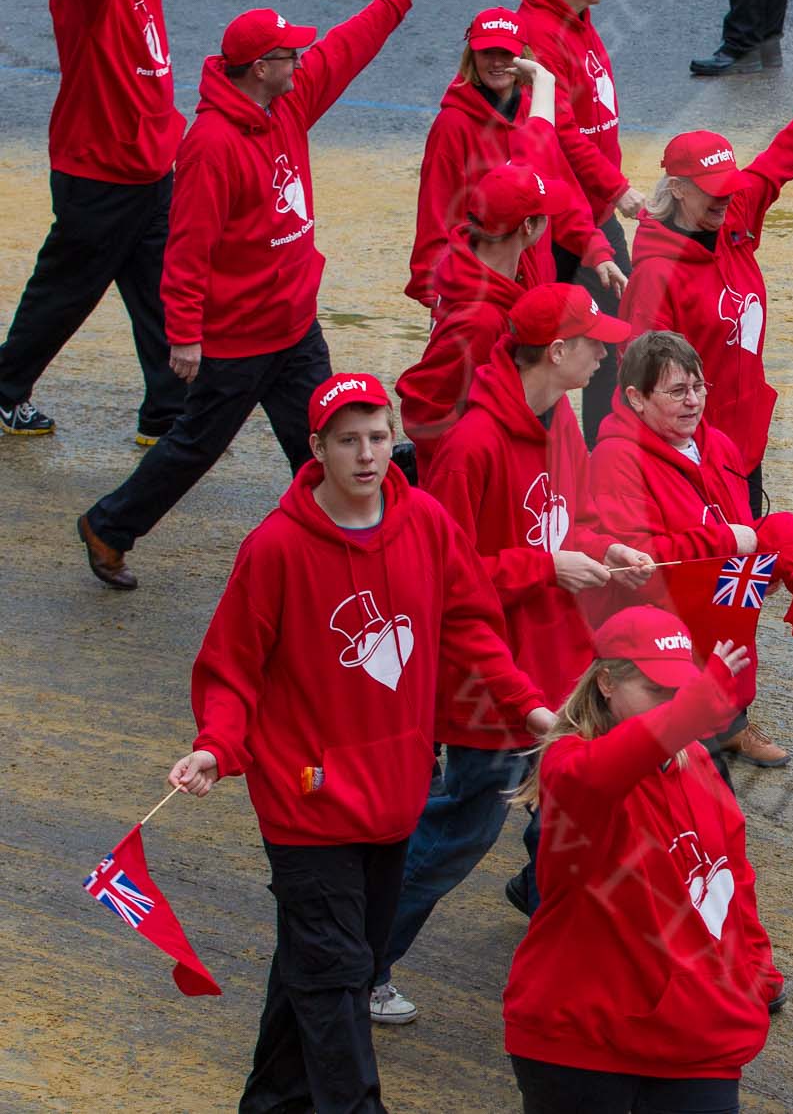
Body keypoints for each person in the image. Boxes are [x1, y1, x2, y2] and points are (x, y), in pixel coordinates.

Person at [165, 372, 554, 1114]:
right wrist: (217, 745)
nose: (368, 454)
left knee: (328, 966)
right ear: (317, 449)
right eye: (349, 441)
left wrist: (528, 706)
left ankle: (271, 1103)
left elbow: (471, 625)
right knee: (339, 974)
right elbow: (232, 667)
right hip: (305, 802)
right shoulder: (275, 547)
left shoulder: (427, 522)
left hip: (394, 796)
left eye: (378, 437)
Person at [78, 0, 432, 591]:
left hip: (294, 326)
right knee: (196, 446)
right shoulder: (211, 145)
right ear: (261, 68)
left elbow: (342, 51)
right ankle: (109, 526)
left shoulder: (286, 102)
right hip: (239, 340)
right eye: (289, 55)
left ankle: (347, 552)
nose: (301, 61)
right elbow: (186, 249)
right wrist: (184, 334)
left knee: (320, 440)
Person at [370, 285, 652, 1025]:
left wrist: (604, 550)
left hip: (558, 666)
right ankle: (357, 966)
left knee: (570, 808)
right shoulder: (472, 446)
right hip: (488, 683)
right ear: (556, 352)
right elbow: (442, 578)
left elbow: (572, 522)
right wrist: (547, 567)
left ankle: (564, 926)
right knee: (460, 831)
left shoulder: (561, 421)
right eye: (594, 343)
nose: (605, 354)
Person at [1, 0, 261, 441]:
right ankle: (5, 388)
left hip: (149, 168)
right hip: (97, 176)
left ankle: (166, 412)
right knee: (64, 295)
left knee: (162, 292)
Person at [503, 607, 778, 1114]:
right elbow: (612, 765)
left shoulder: (700, 762)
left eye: (682, 691)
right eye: (657, 690)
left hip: (696, 1042)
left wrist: (757, 977)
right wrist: (691, 710)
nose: (673, 703)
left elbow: (734, 879)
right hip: (580, 1042)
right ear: (606, 682)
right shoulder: (571, 765)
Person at [623, 21, 793, 514]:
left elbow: (785, 154)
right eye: (712, 190)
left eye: (728, 186)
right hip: (694, 456)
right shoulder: (655, 277)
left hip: (746, 442)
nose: (725, 198)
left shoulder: (734, 216)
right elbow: (640, 383)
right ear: (678, 189)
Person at [591, 331, 793, 770]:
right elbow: (640, 558)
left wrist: (763, 565)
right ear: (636, 398)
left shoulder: (717, 444)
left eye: (699, 387)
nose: (693, 402)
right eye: (677, 391)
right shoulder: (616, 458)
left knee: (782, 531)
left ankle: (735, 721)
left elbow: (744, 526)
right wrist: (729, 543)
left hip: (720, 582)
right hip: (661, 597)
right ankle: (676, 734)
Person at [509, 0, 645, 441]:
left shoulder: (575, 19)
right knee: (546, 346)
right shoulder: (541, 33)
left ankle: (600, 450)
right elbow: (561, 134)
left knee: (614, 333)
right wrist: (615, 187)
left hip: (591, 211)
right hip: (564, 219)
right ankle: (536, 446)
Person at [405, 10, 622, 309]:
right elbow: (436, 210)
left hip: (534, 284)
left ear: (524, 57)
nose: (496, 62)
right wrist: (435, 292)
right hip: (480, 290)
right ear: (471, 56)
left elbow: (562, 193)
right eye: (486, 53)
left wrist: (596, 251)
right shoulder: (453, 125)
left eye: (505, 53)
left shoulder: (531, 112)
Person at [398, 166, 569, 479]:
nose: (550, 220)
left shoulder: (506, 261)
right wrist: (482, 459)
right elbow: (424, 409)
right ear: (527, 226)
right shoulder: (480, 322)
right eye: (544, 214)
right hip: (473, 475)